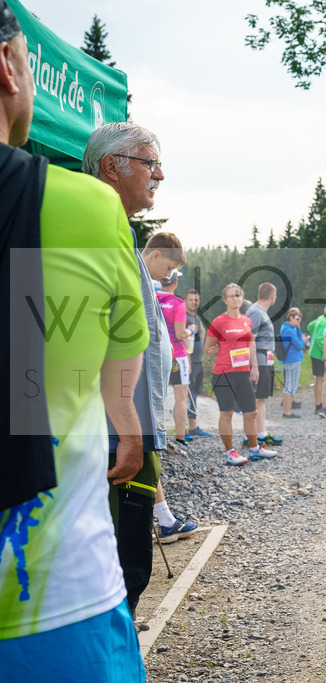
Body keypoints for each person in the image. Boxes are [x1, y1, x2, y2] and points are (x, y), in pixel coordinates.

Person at [0, 6, 149, 674]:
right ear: (8, 67)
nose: (157, 176)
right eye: (149, 164)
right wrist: (128, 422)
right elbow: (121, 355)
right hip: (52, 596)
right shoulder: (87, 207)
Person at [84, 123, 197, 606]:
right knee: (123, 563)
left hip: (129, 425)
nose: (160, 174)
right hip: (115, 430)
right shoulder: (93, 225)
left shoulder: (117, 228)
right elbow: (99, 336)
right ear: (112, 166)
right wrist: (128, 432)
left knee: (130, 559)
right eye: (149, 163)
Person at [205, 283, 278, 465]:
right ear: (225, 300)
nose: (235, 299)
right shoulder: (219, 321)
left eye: (238, 295)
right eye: (231, 296)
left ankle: (255, 449)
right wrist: (221, 349)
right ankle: (230, 452)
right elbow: (208, 347)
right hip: (224, 374)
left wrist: (255, 366)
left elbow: (251, 343)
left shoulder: (247, 321)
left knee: (251, 413)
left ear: (242, 297)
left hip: (243, 373)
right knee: (227, 413)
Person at [157, 268, 191, 448]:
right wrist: (191, 330)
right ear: (176, 282)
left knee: (155, 394)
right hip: (177, 354)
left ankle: (156, 435)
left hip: (156, 353)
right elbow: (180, 333)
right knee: (181, 398)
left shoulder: (152, 297)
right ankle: (180, 438)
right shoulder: (178, 303)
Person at [246, 283, 283, 447]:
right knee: (256, 399)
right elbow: (250, 339)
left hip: (265, 360)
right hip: (259, 361)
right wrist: (254, 365)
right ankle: (253, 436)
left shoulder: (261, 312)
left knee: (261, 398)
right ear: (272, 296)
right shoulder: (255, 312)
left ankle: (261, 433)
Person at [184, 288, 214, 436]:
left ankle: (193, 426)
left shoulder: (197, 318)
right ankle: (188, 427)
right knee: (188, 394)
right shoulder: (184, 317)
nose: (194, 302)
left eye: (196, 300)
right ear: (185, 301)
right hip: (189, 362)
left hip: (199, 361)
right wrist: (187, 361)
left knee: (195, 392)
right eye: (191, 300)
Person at [308, 304, 326, 417]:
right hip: (319, 354)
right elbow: (320, 340)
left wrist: (314, 334)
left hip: (313, 351)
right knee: (320, 379)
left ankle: (319, 404)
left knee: (319, 379)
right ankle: (318, 406)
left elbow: (309, 327)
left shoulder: (320, 318)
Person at [279, 307, 306, 418]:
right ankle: (287, 412)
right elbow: (300, 345)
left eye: (299, 319)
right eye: (297, 319)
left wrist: (298, 328)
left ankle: (286, 411)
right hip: (293, 360)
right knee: (291, 387)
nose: (298, 321)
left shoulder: (285, 327)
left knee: (288, 386)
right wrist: (300, 333)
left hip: (288, 360)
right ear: (291, 317)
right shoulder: (289, 330)